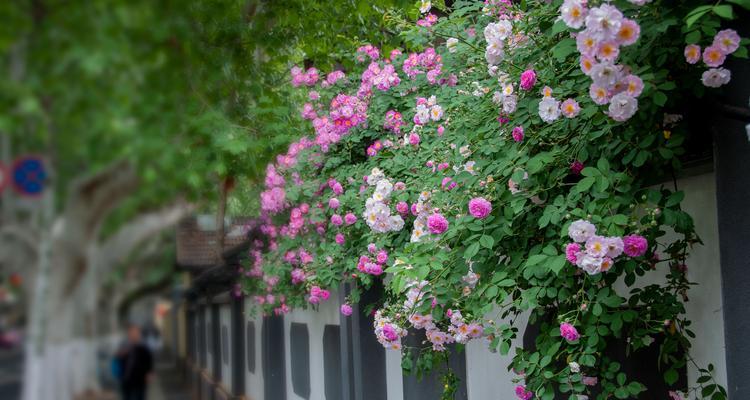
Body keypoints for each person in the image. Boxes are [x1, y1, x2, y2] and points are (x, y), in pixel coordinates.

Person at [116, 324, 154, 400]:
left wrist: (149, 373)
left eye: (136, 332)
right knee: (127, 396)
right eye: (131, 332)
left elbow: (149, 359)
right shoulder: (124, 344)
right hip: (126, 376)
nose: (133, 334)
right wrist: (122, 353)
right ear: (128, 333)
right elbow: (118, 357)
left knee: (140, 396)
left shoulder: (143, 345)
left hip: (140, 377)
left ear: (139, 333)